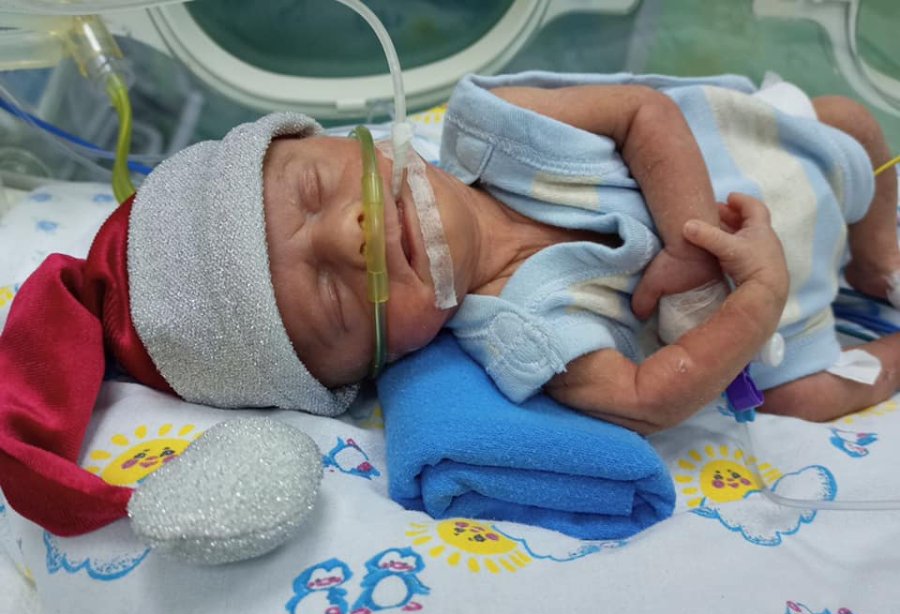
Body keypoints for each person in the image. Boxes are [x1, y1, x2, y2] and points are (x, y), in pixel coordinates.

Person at [263, 72, 900, 433]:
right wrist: (756, 303)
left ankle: (877, 260)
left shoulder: (496, 127)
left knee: (850, 122)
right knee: (798, 404)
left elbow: (641, 111)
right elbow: (645, 398)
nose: (348, 237)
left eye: (316, 190)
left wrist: (689, 242)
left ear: (361, 143)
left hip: (764, 155)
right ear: (386, 360)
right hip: (786, 313)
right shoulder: (519, 333)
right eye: (333, 299)